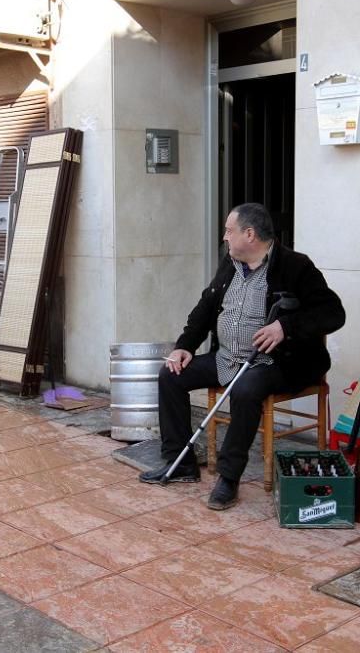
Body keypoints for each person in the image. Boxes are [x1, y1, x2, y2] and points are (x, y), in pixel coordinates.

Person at [139, 203, 346, 510]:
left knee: (245, 388)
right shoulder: (230, 264)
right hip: (228, 358)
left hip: (276, 362)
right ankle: (179, 462)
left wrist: (285, 327)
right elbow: (206, 307)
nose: (224, 237)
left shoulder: (295, 266)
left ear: (249, 234)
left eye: (228, 230)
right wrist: (184, 346)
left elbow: (333, 313)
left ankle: (228, 477)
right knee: (171, 374)